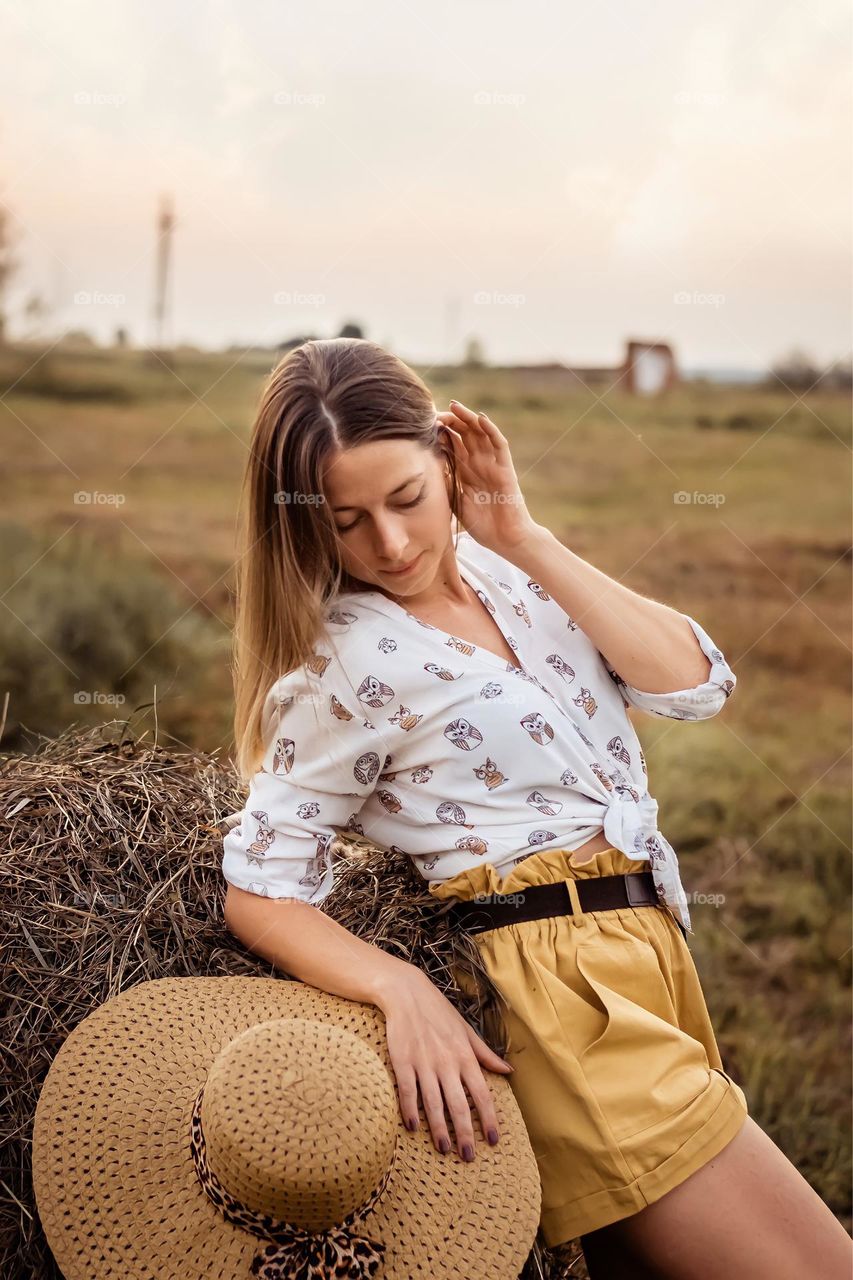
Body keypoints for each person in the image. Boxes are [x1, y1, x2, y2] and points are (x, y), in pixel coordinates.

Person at [222, 337, 853, 1279]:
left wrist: (519, 532)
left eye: (406, 500)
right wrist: (399, 987)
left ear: (448, 462)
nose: (389, 545)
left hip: (645, 957)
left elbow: (692, 685)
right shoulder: (346, 665)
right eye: (346, 522)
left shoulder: (511, 575)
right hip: (554, 993)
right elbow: (258, 885)